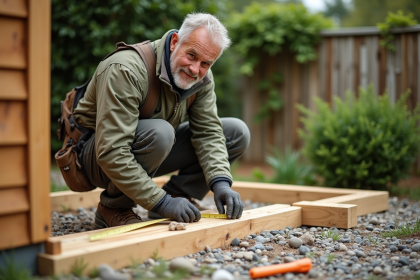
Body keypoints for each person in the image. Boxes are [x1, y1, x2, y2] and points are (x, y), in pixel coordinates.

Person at [73, 13, 251, 229]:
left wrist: (221, 182)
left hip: (150, 147)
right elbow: (112, 150)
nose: (195, 69)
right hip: (92, 157)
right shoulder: (125, 69)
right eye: (191, 55)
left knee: (235, 132)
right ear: (175, 41)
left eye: (206, 63)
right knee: (161, 133)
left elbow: (209, 132)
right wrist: (161, 201)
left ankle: (179, 195)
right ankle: (113, 208)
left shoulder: (202, 78)